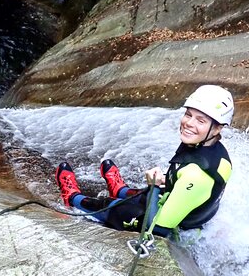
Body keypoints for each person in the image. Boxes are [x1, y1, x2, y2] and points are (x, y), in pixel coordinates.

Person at [55, 85, 234, 238]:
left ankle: (72, 198)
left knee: (117, 208)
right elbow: (195, 190)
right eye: (188, 114)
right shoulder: (213, 150)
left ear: (217, 128)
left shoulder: (196, 176)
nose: (188, 123)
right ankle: (121, 190)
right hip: (191, 216)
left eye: (200, 120)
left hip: (175, 229)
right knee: (143, 195)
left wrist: (155, 186)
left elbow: (158, 229)